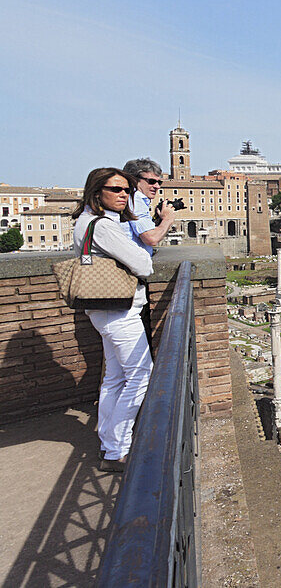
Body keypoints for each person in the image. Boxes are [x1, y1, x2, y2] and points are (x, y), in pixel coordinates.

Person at [71, 168, 155, 472]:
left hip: (102, 310)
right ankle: (118, 449)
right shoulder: (104, 226)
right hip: (120, 311)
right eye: (116, 189)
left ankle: (109, 441)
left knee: (115, 378)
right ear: (97, 192)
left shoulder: (84, 222)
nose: (123, 195)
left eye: (127, 190)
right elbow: (143, 263)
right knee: (142, 375)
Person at [121, 158, 176, 254]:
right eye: (151, 181)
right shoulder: (136, 199)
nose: (157, 186)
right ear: (134, 180)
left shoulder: (131, 198)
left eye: (159, 182)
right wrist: (167, 219)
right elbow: (151, 238)